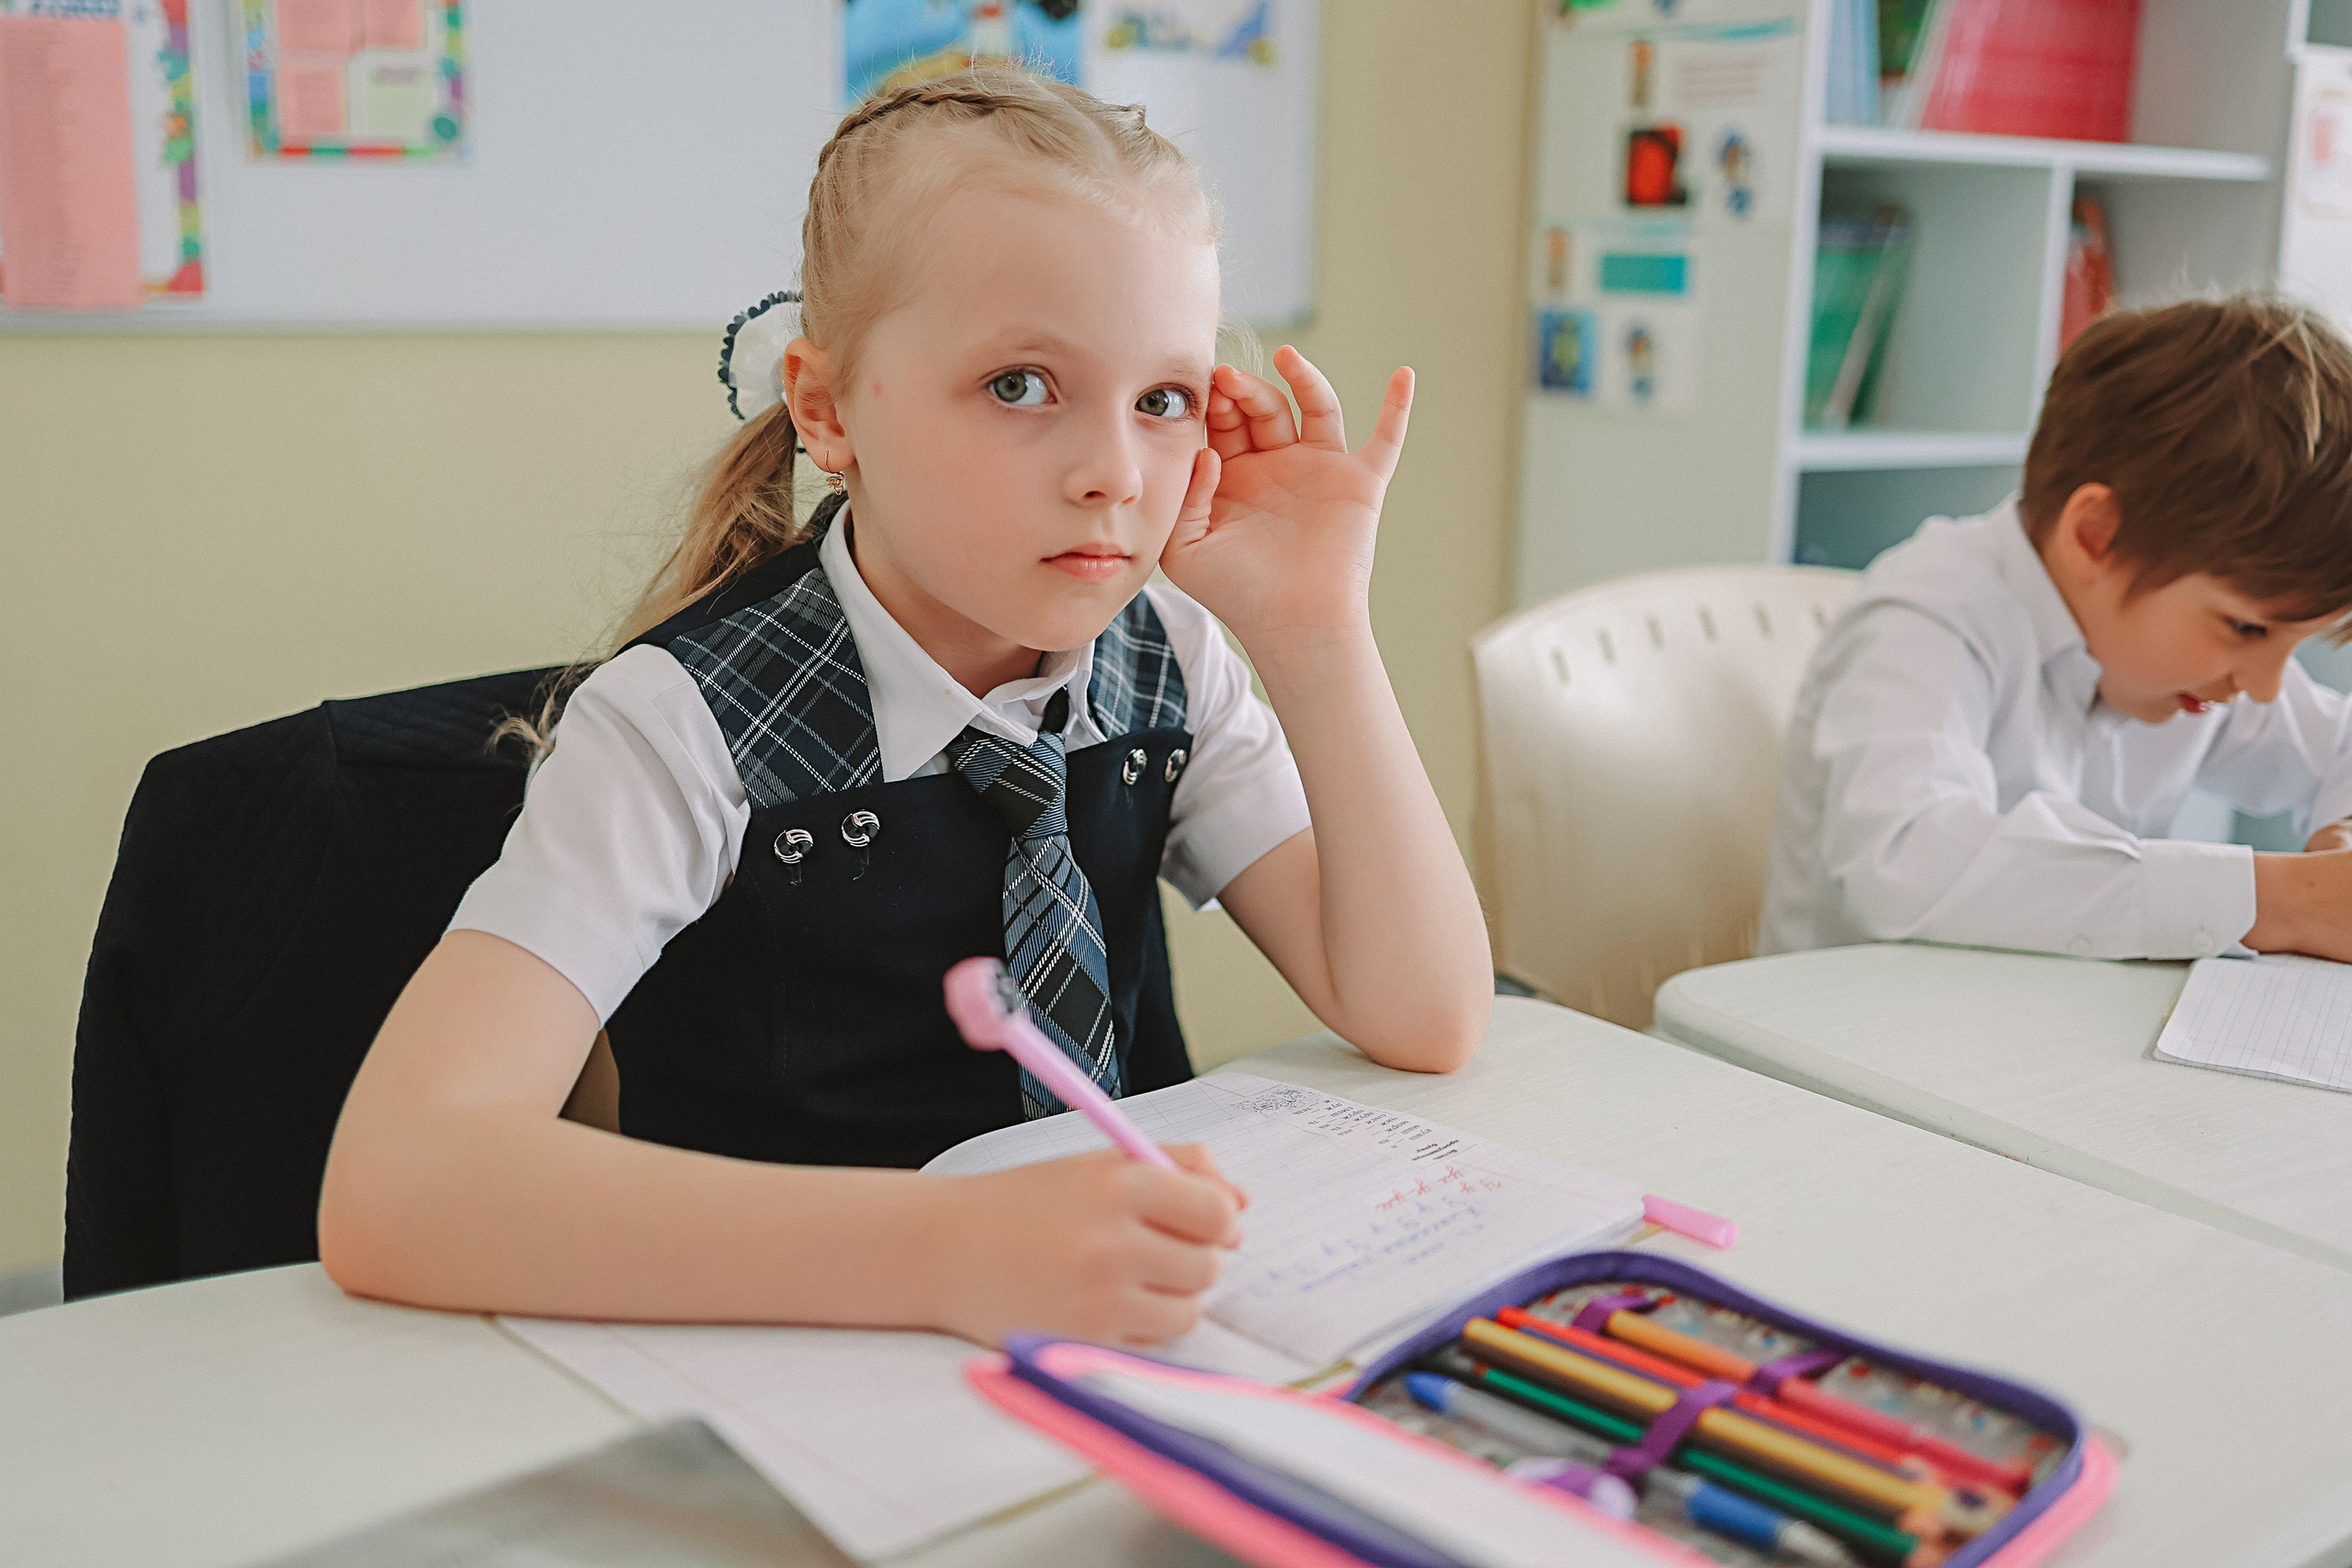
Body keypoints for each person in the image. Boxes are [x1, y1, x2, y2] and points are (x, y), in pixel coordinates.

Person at [318, 69, 1491, 1347]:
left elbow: (1423, 1009)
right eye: (1020, 386)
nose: (1112, 474)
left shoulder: (1169, 662)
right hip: (805, 1370)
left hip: (1127, 1352)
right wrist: (954, 1255)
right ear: (826, 408)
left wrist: (1316, 631)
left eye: (1164, 399)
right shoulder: (676, 726)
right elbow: (398, 1184)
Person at [1761, 295, 2352, 963]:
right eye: (2248, 628)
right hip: (1826, 1048)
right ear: (2096, 537)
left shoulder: (2185, 664)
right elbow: (1904, 859)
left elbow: (2341, 744)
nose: (2266, 686)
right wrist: (2282, 900)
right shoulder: (1930, 613)